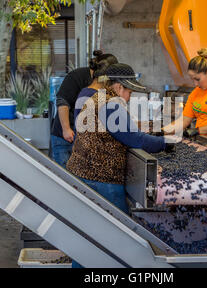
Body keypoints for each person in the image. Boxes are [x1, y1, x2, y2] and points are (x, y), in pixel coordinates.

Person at [66, 63, 175, 268]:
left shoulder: (98, 98)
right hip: (100, 177)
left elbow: (123, 131)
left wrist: (154, 134)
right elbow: (134, 139)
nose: (130, 96)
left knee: (89, 233)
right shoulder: (111, 104)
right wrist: (165, 143)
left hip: (84, 171)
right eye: (129, 91)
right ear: (118, 87)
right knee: (121, 235)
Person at [50, 50, 118, 167]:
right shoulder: (77, 76)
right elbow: (62, 102)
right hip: (65, 137)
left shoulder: (105, 83)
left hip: (83, 138)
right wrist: (66, 129)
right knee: (66, 178)